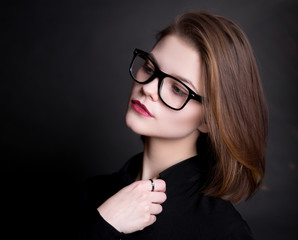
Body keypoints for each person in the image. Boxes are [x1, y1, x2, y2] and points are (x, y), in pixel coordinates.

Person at [73, 11, 268, 239]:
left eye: (177, 89)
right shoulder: (92, 193)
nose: (148, 88)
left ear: (208, 119)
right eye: (149, 67)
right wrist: (102, 224)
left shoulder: (222, 230)